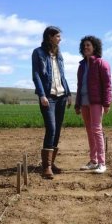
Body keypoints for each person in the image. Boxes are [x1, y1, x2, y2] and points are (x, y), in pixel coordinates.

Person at [32, 26, 72, 179]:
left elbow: (62, 75)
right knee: (51, 128)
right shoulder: (38, 52)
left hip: (61, 96)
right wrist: (42, 95)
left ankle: (52, 163)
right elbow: (36, 75)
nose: (60, 39)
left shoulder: (58, 54)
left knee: (58, 130)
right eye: (58, 36)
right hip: (48, 96)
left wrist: (68, 93)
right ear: (49, 37)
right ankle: (46, 167)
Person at [75, 35, 112, 174]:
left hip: (96, 102)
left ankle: (102, 163)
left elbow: (107, 85)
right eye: (84, 46)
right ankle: (93, 161)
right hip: (84, 102)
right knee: (89, 131)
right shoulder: (82, 66)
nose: (86, 48)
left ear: (95, 47)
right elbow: (79, 86)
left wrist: (107, 103)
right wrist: (77, 104)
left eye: (88, 45)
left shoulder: (102, 63)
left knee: (96, 130)